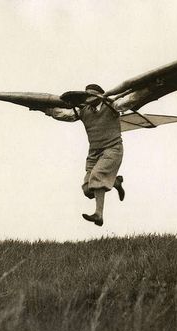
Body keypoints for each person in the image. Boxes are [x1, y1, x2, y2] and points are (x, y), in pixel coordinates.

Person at [44, 84, 127, 226]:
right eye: (86, 95)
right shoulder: (83, 111)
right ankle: (115, 182)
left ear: (99, 96)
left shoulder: (113, 106)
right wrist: (45, 109)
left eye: (91, 95)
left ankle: (98, 215)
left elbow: (131, 100)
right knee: (88, 190)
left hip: (113, 148)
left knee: (97, 177)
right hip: (94, 152)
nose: (88, 98)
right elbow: (65, 115)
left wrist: (153, 87)